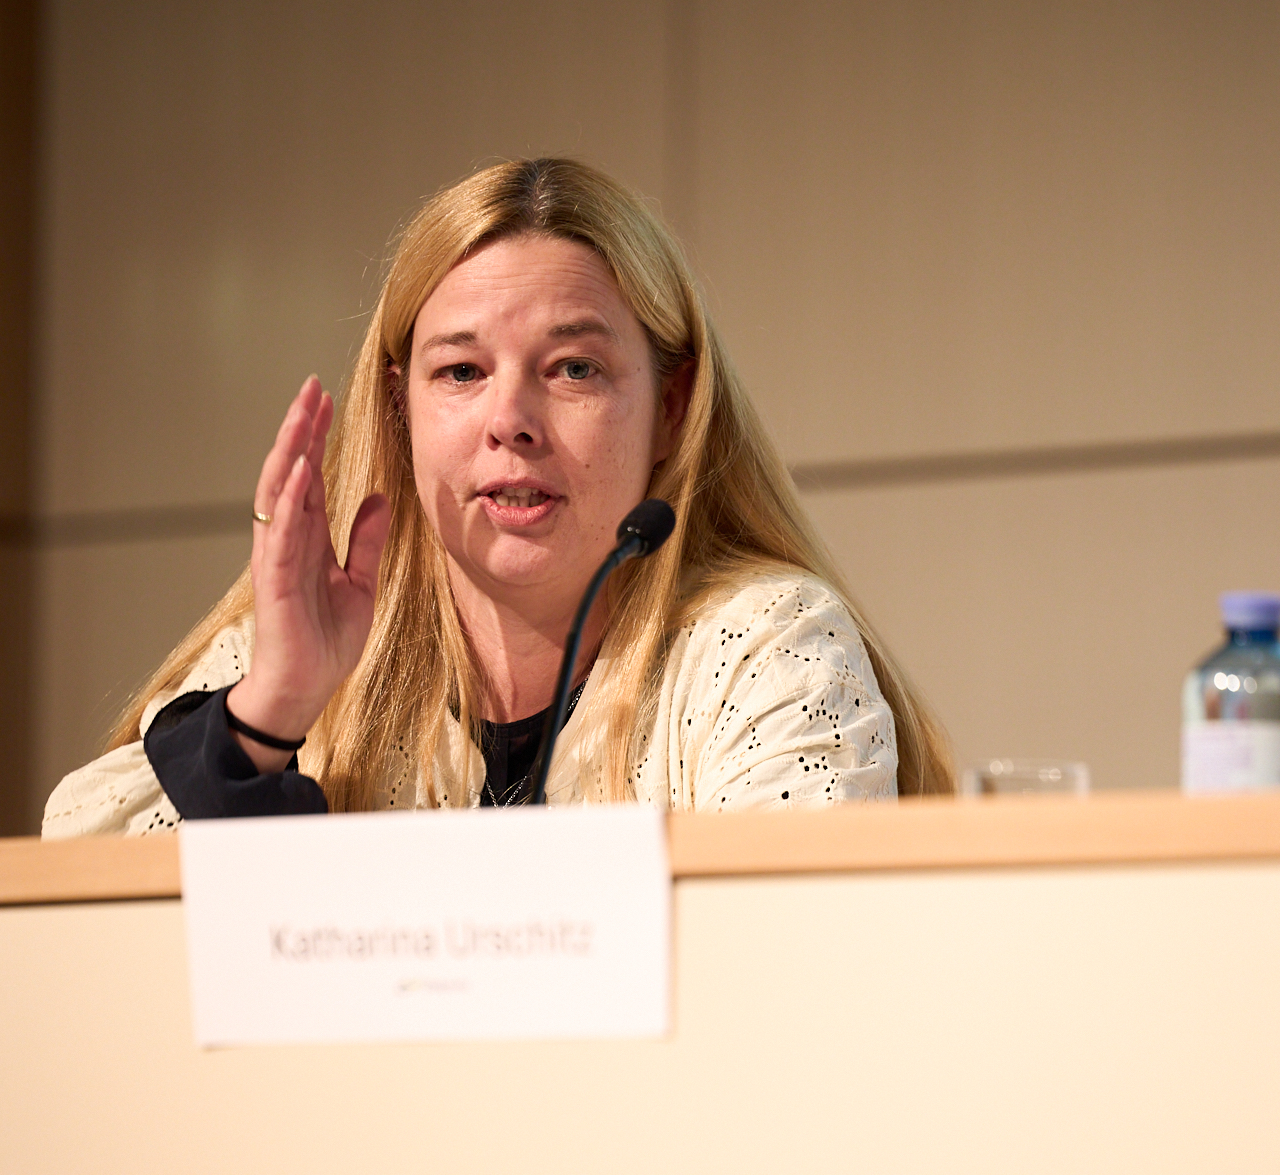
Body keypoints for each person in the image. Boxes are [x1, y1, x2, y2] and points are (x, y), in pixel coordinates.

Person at [43, 157, 952, 837]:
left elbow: (791, 960)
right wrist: (273, 710)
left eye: (573, 368)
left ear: (671, 409)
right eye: (461, 371)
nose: (510, 421)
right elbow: (82, 907)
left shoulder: (764, 644)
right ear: (401, 409)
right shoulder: (291, 655)